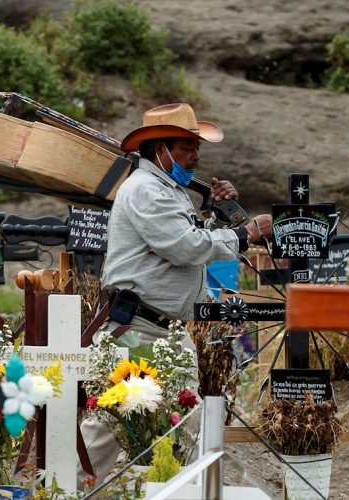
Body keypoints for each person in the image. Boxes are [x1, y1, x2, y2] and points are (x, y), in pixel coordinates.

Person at [79, 102, 273, 483]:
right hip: (137, 327)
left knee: (179, 418)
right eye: (186, 147)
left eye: (195, 147)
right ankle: (64, 489)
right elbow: (186, 247)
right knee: (116, 424)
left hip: (159, 328)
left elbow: (187, 242)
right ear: (160, 149)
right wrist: (241, 233)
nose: (195, 156)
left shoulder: (167, 190)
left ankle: (184, 486)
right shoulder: (147, 190)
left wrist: (219, 214)